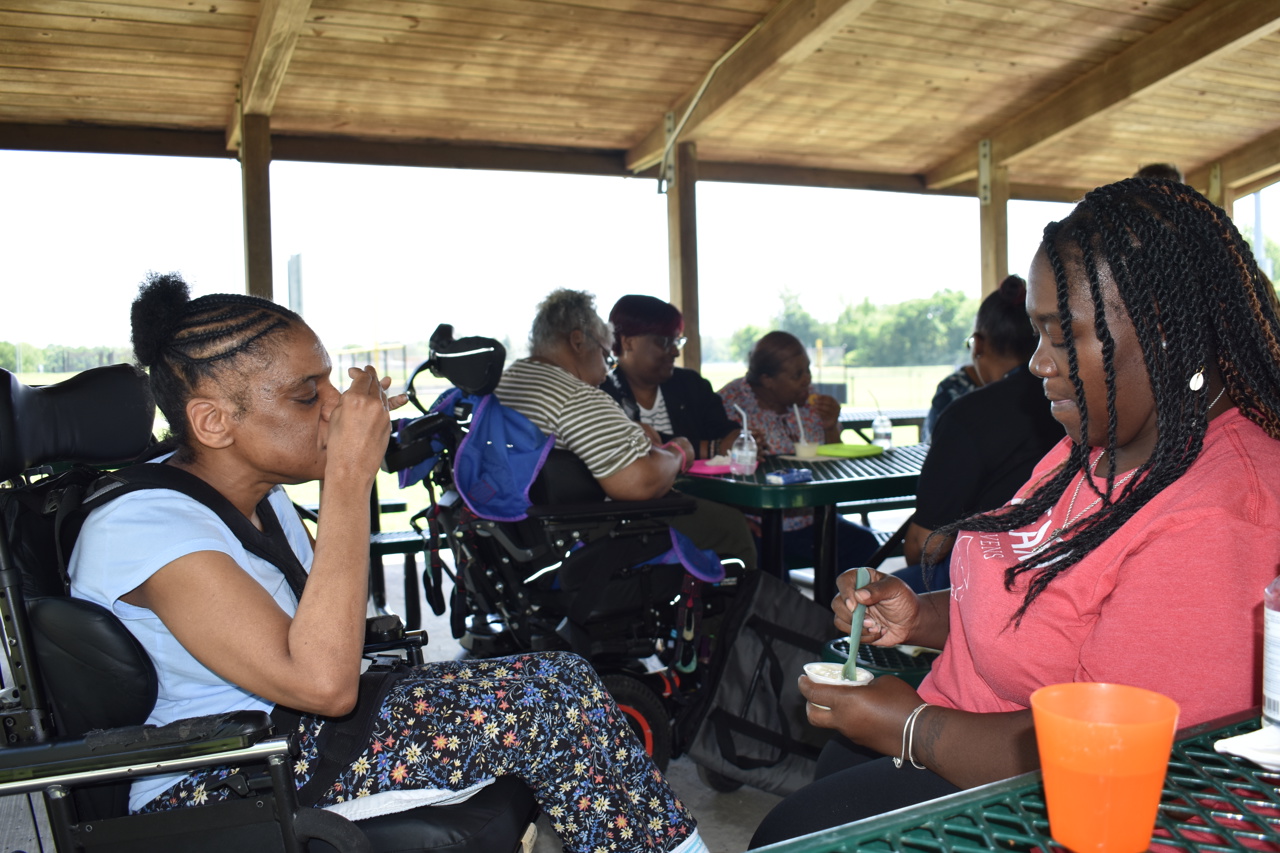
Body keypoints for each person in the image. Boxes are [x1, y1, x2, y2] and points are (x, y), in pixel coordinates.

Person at [70, 273, 710, 853]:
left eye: (329, 382)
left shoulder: (256, 495)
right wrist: (348, 477)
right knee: (554, 705)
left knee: (564, 680)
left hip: (292, 735)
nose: (337, 406)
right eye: (305, 395)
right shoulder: (145, 526)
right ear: (212, 422)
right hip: (223, 773)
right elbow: (322, 683)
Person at [749, 177, 1280, 846]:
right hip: (959, 737)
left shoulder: (1224, 512)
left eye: (1064, 336)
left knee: (788, 835)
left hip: (1033, 806)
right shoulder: (1100, 441)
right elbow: (1040, 602)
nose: (1037, 363)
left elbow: (1120, 762)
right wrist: (922, 615)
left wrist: (913, 728)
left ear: (1164, 331)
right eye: (1038, 334)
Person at [494, 287, 756, 572]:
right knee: (730, 526)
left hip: (527, 535)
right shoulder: (576, 395)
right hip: (589, 533)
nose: (607, 370)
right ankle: (732, 615)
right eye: (606, 355)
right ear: (578, 341)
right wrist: (681, 450)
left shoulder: (509, 382)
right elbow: (639, 483)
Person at [895, 274, 1063, 591]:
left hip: (986, 576)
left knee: (859, 605)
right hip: (1061, 562)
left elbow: (926, 546)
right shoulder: (1074, 404)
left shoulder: (966, 416)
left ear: (980, 344)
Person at [717, 331, 878, 574]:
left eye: (808, 370)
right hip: (757, 524)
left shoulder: (809, 401)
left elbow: (831, 460)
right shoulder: (730, 404)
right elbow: (715, 469)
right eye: (797, 375)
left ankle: (833, 607)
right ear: (768, 379)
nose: (807, 380)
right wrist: (736, 519)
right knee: (772, 575)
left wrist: (831, 425)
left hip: (811, 519)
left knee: (863, 544)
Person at [602, 294, 746, 461]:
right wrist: (711, 448)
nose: (676, 351)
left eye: (677, 341)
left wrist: (740, 439)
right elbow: (640, 442)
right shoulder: (604, 394)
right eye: (664, 342)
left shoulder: (692, 385)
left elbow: (722, 430)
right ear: (627, 342)